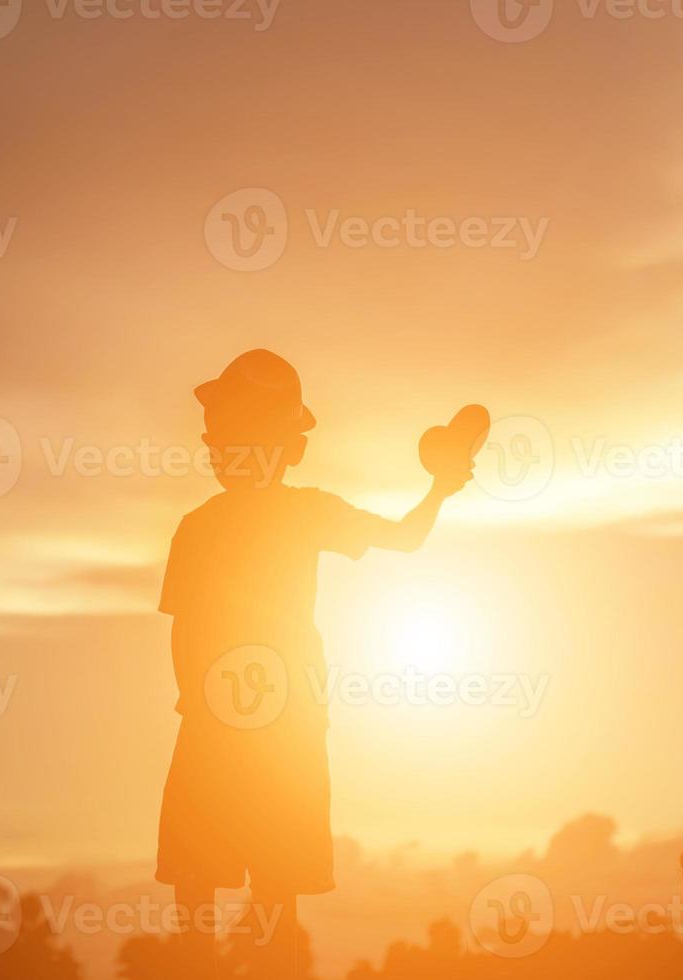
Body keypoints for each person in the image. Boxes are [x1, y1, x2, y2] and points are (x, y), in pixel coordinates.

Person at [155, 349, 472, 979]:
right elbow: (406, 537)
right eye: (222, 437)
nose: (223, 449)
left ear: (285, 449)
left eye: (239, 436)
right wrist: (441, 487)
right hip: (273, 730)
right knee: (259, 894)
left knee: (219, 894)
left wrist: (198, 701)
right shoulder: (270, 517)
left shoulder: (206, 525)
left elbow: (183, 633)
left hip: (235, 730)